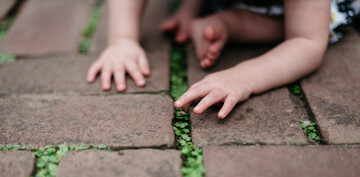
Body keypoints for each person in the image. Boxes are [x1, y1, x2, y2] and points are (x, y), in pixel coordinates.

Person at [87, 0, 360, 119]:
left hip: (303, 12)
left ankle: (230, 23)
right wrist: (122, 39)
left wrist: (244, 76)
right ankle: (221, 19)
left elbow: (307, 42)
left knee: (321, 24)